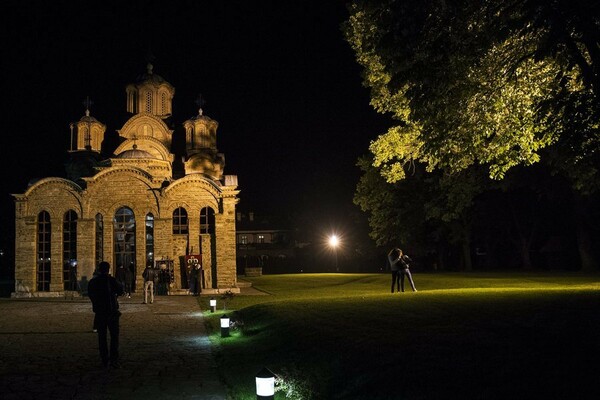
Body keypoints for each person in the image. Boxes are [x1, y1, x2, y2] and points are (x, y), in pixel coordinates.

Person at [88, 261, 124, 369]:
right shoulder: (112, 280)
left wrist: (96, 304)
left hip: (100, 313)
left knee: (102, 337)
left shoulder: (93, 282)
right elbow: (121, 290)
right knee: (114, 337)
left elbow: (91, 294)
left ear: (99, 269)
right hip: (112, 311)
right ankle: (114, 359)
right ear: (108, 269)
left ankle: (104, 359)